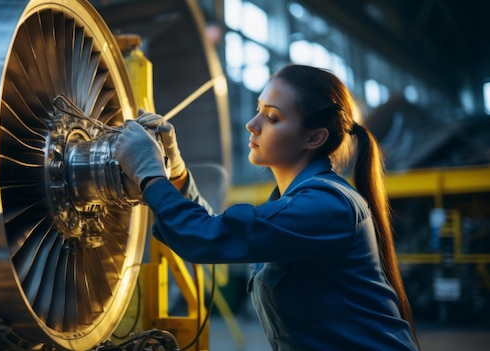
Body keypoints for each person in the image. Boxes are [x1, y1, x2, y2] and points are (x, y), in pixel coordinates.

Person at [115, 64, 420, 350]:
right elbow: (216, 227)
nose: (252, 125)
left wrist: (150, 174)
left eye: (272, 118)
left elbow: (208, 237)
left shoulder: (327, 207)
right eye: (258, 110)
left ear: (314, 137)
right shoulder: (294, 203)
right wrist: (177, 173)